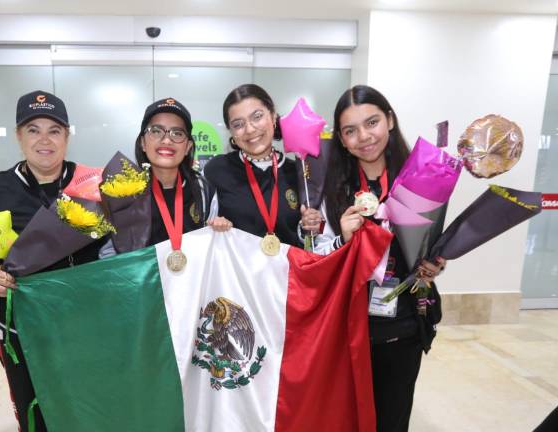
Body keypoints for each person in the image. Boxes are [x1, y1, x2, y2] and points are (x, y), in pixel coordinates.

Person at [0, 90, 103, 431]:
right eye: (33, 129)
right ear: (19, 136)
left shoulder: (92, 184)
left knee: (89, 398)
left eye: (54, 130)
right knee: (34, 400)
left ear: (67, 137)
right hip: (21, 326)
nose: (44, 140)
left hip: (84, 321)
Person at [299, 85, 445, 432]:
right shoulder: (330, 186)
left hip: (403, 325)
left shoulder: (421, 178)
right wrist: (342, 239)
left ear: (390, 121)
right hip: (347, 327)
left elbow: (430, 246)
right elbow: (315, 257)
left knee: (392, 418)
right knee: (346, 419)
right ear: (342, 139)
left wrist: (434, 264)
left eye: (372, 122)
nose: (364, 137)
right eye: (350, 130)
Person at [101, 98, 230, 258]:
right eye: (156, 131)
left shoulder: (204, 191)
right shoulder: (125, 192)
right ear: (143, 142)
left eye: (177, 133)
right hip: (144, 281)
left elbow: (215, 251)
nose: (167, 140)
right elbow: (108, 255)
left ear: (188, 147)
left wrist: (222, 231)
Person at [203, 84, 302, 250]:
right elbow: (202, 230)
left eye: (257, 117)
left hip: (287, 273)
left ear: (272, 115)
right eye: (238, 124)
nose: (249, 129)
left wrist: (310, 226)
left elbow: (307, 240)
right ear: (231, 132)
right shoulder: (217, 170)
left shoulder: (297, 172)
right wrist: (215, 227)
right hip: (237, 273)